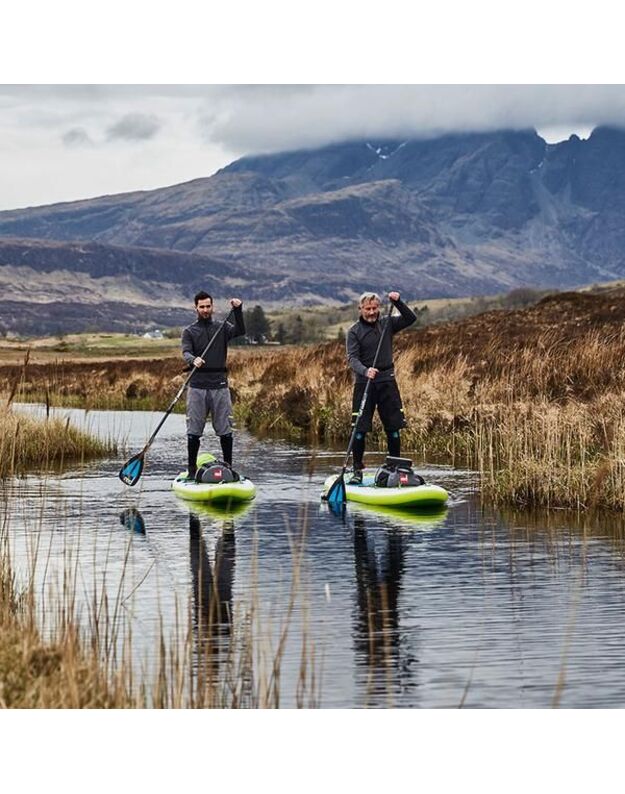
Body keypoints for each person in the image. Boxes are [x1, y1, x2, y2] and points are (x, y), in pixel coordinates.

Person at [345, 290, 416, 484]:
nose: (372, 312)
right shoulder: (354, 332)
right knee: (359, 429)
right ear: (361, 309)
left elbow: (411, 318)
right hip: (364, 383)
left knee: (393, 428)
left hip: (387, 381)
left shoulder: (387, 324)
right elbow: (352, 358)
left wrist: (398, 301)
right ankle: (357, 469)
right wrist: (365, 370)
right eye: (368, 309)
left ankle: (396, 468)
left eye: (375, 308)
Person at [181, 291, 245, 479]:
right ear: (196, 308)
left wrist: (238, 310)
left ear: (212, 307)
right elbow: (185, 352)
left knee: (225, 430)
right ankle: (192, 471)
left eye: (208, 306)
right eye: (202, 307)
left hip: (220, 385)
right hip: (197, 387)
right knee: (194, 431)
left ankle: (229, 468)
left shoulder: (222, 327)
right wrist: (193, 360)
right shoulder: (189, 331)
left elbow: (240, 331)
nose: (205, 310)